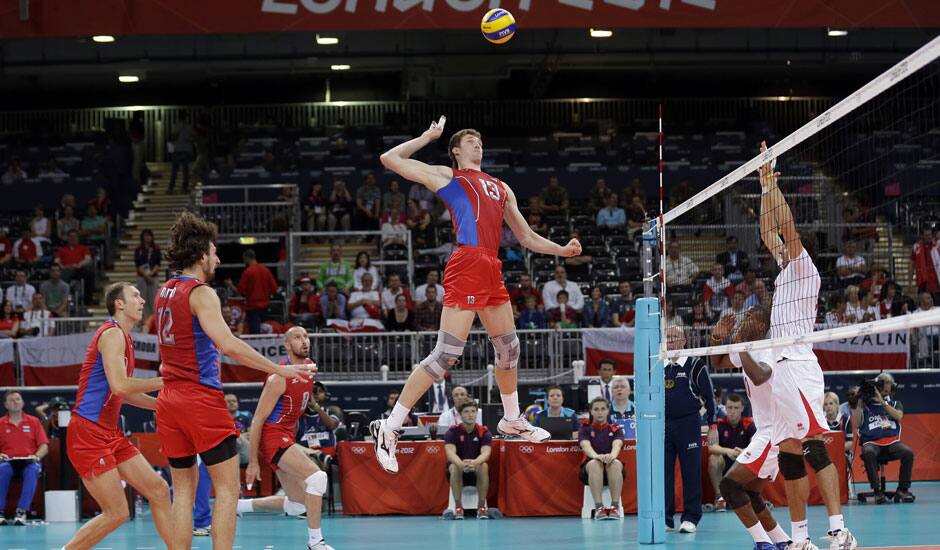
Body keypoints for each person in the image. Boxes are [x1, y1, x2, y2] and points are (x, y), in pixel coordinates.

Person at [371, 120, 582, 473]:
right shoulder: (448, 177)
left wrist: (563, 251)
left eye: (480, 141)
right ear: (456, 151)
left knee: (510, 348)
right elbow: (389, 158)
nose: (477, 145)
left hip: (491, 267)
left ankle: (512, 419)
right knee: (446, 354)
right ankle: (389, 427)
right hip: (468, 261)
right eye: (470, 141)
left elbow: (526, 237)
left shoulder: (501, 187)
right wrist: (427, 138)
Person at [153, 212, 309, 550]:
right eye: (213, 252)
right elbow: (228, 345)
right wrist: (279, 369)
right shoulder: (201, 293)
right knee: (227, 488)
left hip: (168, 399)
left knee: (182, 490)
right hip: (198, 398)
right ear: (200, 256)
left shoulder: (163, 291)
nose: (218, 259)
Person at [757, 141, 856, 549]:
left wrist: (775, 191)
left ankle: (838, 530)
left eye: (786, 246)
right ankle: (800, 538)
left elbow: (785, 228)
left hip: (797, 362)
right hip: (778, 369)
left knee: (815, 444)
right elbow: (767, 233)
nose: (780, 248)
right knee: (790, 452)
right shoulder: (784, 272)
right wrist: (764, 188)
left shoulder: (803, 267)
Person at [62, 283, 172, 549]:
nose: (143, 300)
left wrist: (163, 406)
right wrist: (168, 380)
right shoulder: (112, 334)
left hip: (109, 432)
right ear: (119, 304)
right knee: (117, 513)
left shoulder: (125, 337)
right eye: (135, 295)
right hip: (88, 432)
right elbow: (120, 386)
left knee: (158, 489)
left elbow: (125, 394)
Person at [240, 327, 334, 550]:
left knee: (298, 504)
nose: (304, 341)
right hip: (273, 438)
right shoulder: (278, 378)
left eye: (306, 336)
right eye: (297, 338)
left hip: (287, 437)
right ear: (286, 346)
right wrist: (253, 462)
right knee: (317, 478)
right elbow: (257, 420)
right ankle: (316, 542)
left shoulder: (309, 369)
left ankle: (239, 506)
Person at [710, 307, 794, 550]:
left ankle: (763, 544)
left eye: (750, 317)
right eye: (744, 315)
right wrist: (718, 337)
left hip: (775, 430)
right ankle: (782, 542)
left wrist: (740, 344)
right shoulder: (748, 347)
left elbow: (759, 376)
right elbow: (719, 361)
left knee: (729, 485)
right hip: (766, 430)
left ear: (762, 325)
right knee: (750, 491)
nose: (743, 319)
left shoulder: (770, 347)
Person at [664, 326, 717, 534]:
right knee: (664, 474)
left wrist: (712, 425)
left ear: (684, 340)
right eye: (668, 337)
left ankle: (691, 517)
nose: (670, 340)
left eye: (675, 337)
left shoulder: (695, 365)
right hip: (664, 425)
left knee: (691, 472)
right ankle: (666, 519)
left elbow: (710, 397)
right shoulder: (660, 365)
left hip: (688, 424)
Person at [851, 373, 915, 504]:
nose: (886, 386)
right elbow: (857, 424)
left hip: (892, 442)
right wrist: (858, 403)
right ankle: (877, 491)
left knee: (908, 452)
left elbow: (898, 416)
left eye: (888, 383)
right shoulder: (865, 405)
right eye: (883, 383)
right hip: (872, 442)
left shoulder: (896, 403)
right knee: (868, 451)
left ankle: (902, 490)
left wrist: (883, 402)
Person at [0, 391, 48, 525]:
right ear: (5, 405)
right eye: (11, 400)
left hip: (29, 461)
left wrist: (36, 456)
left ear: (23, 402)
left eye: (17, 399)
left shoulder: (34, 422)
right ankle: (0, 511)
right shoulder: (0, 423)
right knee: (2, 470)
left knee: (33, 470)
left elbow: (44, 446)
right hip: (7, 462)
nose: (15, 402)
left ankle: (21, 511)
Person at [443, 401, 492, 519]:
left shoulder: (484, 432)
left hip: (476, 469)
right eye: (466, 412)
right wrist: (461, 465)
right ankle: (458, 507)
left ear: (476, 414)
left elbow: (486, 453)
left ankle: (481, 508)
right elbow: (450, 454)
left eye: (473, 411)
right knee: (453, 466)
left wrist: (475, 463)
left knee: (484, 466)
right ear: (460, 414)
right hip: (458, 469)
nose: (470, 414)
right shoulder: (452, 432)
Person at [578, 397, 624, 520]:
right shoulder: (585, 428)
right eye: (596, 409)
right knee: (594, 464)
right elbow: (585, 446)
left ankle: (615, 507)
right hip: (590, 468)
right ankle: (599, 508)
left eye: (603, 409)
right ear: (591, 412)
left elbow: (617, 445)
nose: (599, 412)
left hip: (611, 464)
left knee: (615, 463)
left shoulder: (616, 429)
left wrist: (611, 456)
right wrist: (597, 457)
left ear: (608, 411)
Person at [707, 393, 755, 511]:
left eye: (736, 408)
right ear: (725, 407)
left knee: (755, 457)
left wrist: (744, 451)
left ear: (742, 409)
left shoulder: (749, 424)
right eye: (729, 407)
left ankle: (754, 496)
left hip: (742, 464)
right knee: (714, 458)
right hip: (725, 463)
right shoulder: (718, 424)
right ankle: (720, 498)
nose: (732, 411)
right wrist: (728, 451)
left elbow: (756, 446)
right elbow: (712, 447)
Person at [225, 249, 278, 335]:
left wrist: (230, 285)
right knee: (266, 330)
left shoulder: (248, 272)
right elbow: (275, 289)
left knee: (254, 333)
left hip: (253, 308)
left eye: (244, 259)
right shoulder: (266, 270)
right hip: (266, 307)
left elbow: (240, 291)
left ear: (247, 258)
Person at [296, 381, 341, 464]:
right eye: (312, 391)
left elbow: (332, 425)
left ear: (326, 395)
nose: (316, 394)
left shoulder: (332, 410)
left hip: (329, 457)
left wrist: (316, 407)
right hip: (306, 457)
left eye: (320, 391)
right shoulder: (296, 416)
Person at [55, 230, 95, 306]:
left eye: (75, 236)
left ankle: (87, 300)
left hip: (79, 269)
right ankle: (64, 300)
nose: (73, 238)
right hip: (65, 270)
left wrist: (79, 265)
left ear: (78, 238)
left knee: (89, 274)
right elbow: (56, 261)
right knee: (60, 275)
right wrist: (63, 266)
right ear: (67, 238)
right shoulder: (62, 250)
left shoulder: (84, 248)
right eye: (71, 236)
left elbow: (88, 259)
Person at [135, 229, 162, 319]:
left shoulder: (156, 249)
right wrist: (146, 275)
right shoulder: (138, 250)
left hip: (153, 277)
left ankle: (154, 320)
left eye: (149, 235)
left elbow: (158, 264)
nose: (147, 238)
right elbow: (138, 264)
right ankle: (144, 320)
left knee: (153, 299)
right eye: (146, 235)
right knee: (142, 299)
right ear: (142, 237)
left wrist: (150, 274)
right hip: (141, 277)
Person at [223, 394, 252, 465]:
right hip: (228, 446)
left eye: (234, 401)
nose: (232, 403)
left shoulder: (246, 415)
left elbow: (251, 434)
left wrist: (237, 436)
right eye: (228, 401)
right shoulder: (220, 418)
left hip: (243, 445)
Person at [912, 226, 939, 300]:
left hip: (936, 283)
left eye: (930, 235)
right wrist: (910, 281)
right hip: (922, 283)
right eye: (926, 235)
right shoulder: (916, 247)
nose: (928, 237)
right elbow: (912, 263)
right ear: (922, 236)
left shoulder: (937, 246)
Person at [168, 113, 193, 194]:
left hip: (177, 150)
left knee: (175, 170)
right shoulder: (189, 126)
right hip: (186, 150)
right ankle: (184, 188)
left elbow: (172, 137)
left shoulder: (175, 125)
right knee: (186, 171)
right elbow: (191, 138)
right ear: (186, 118)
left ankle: (171, 188)